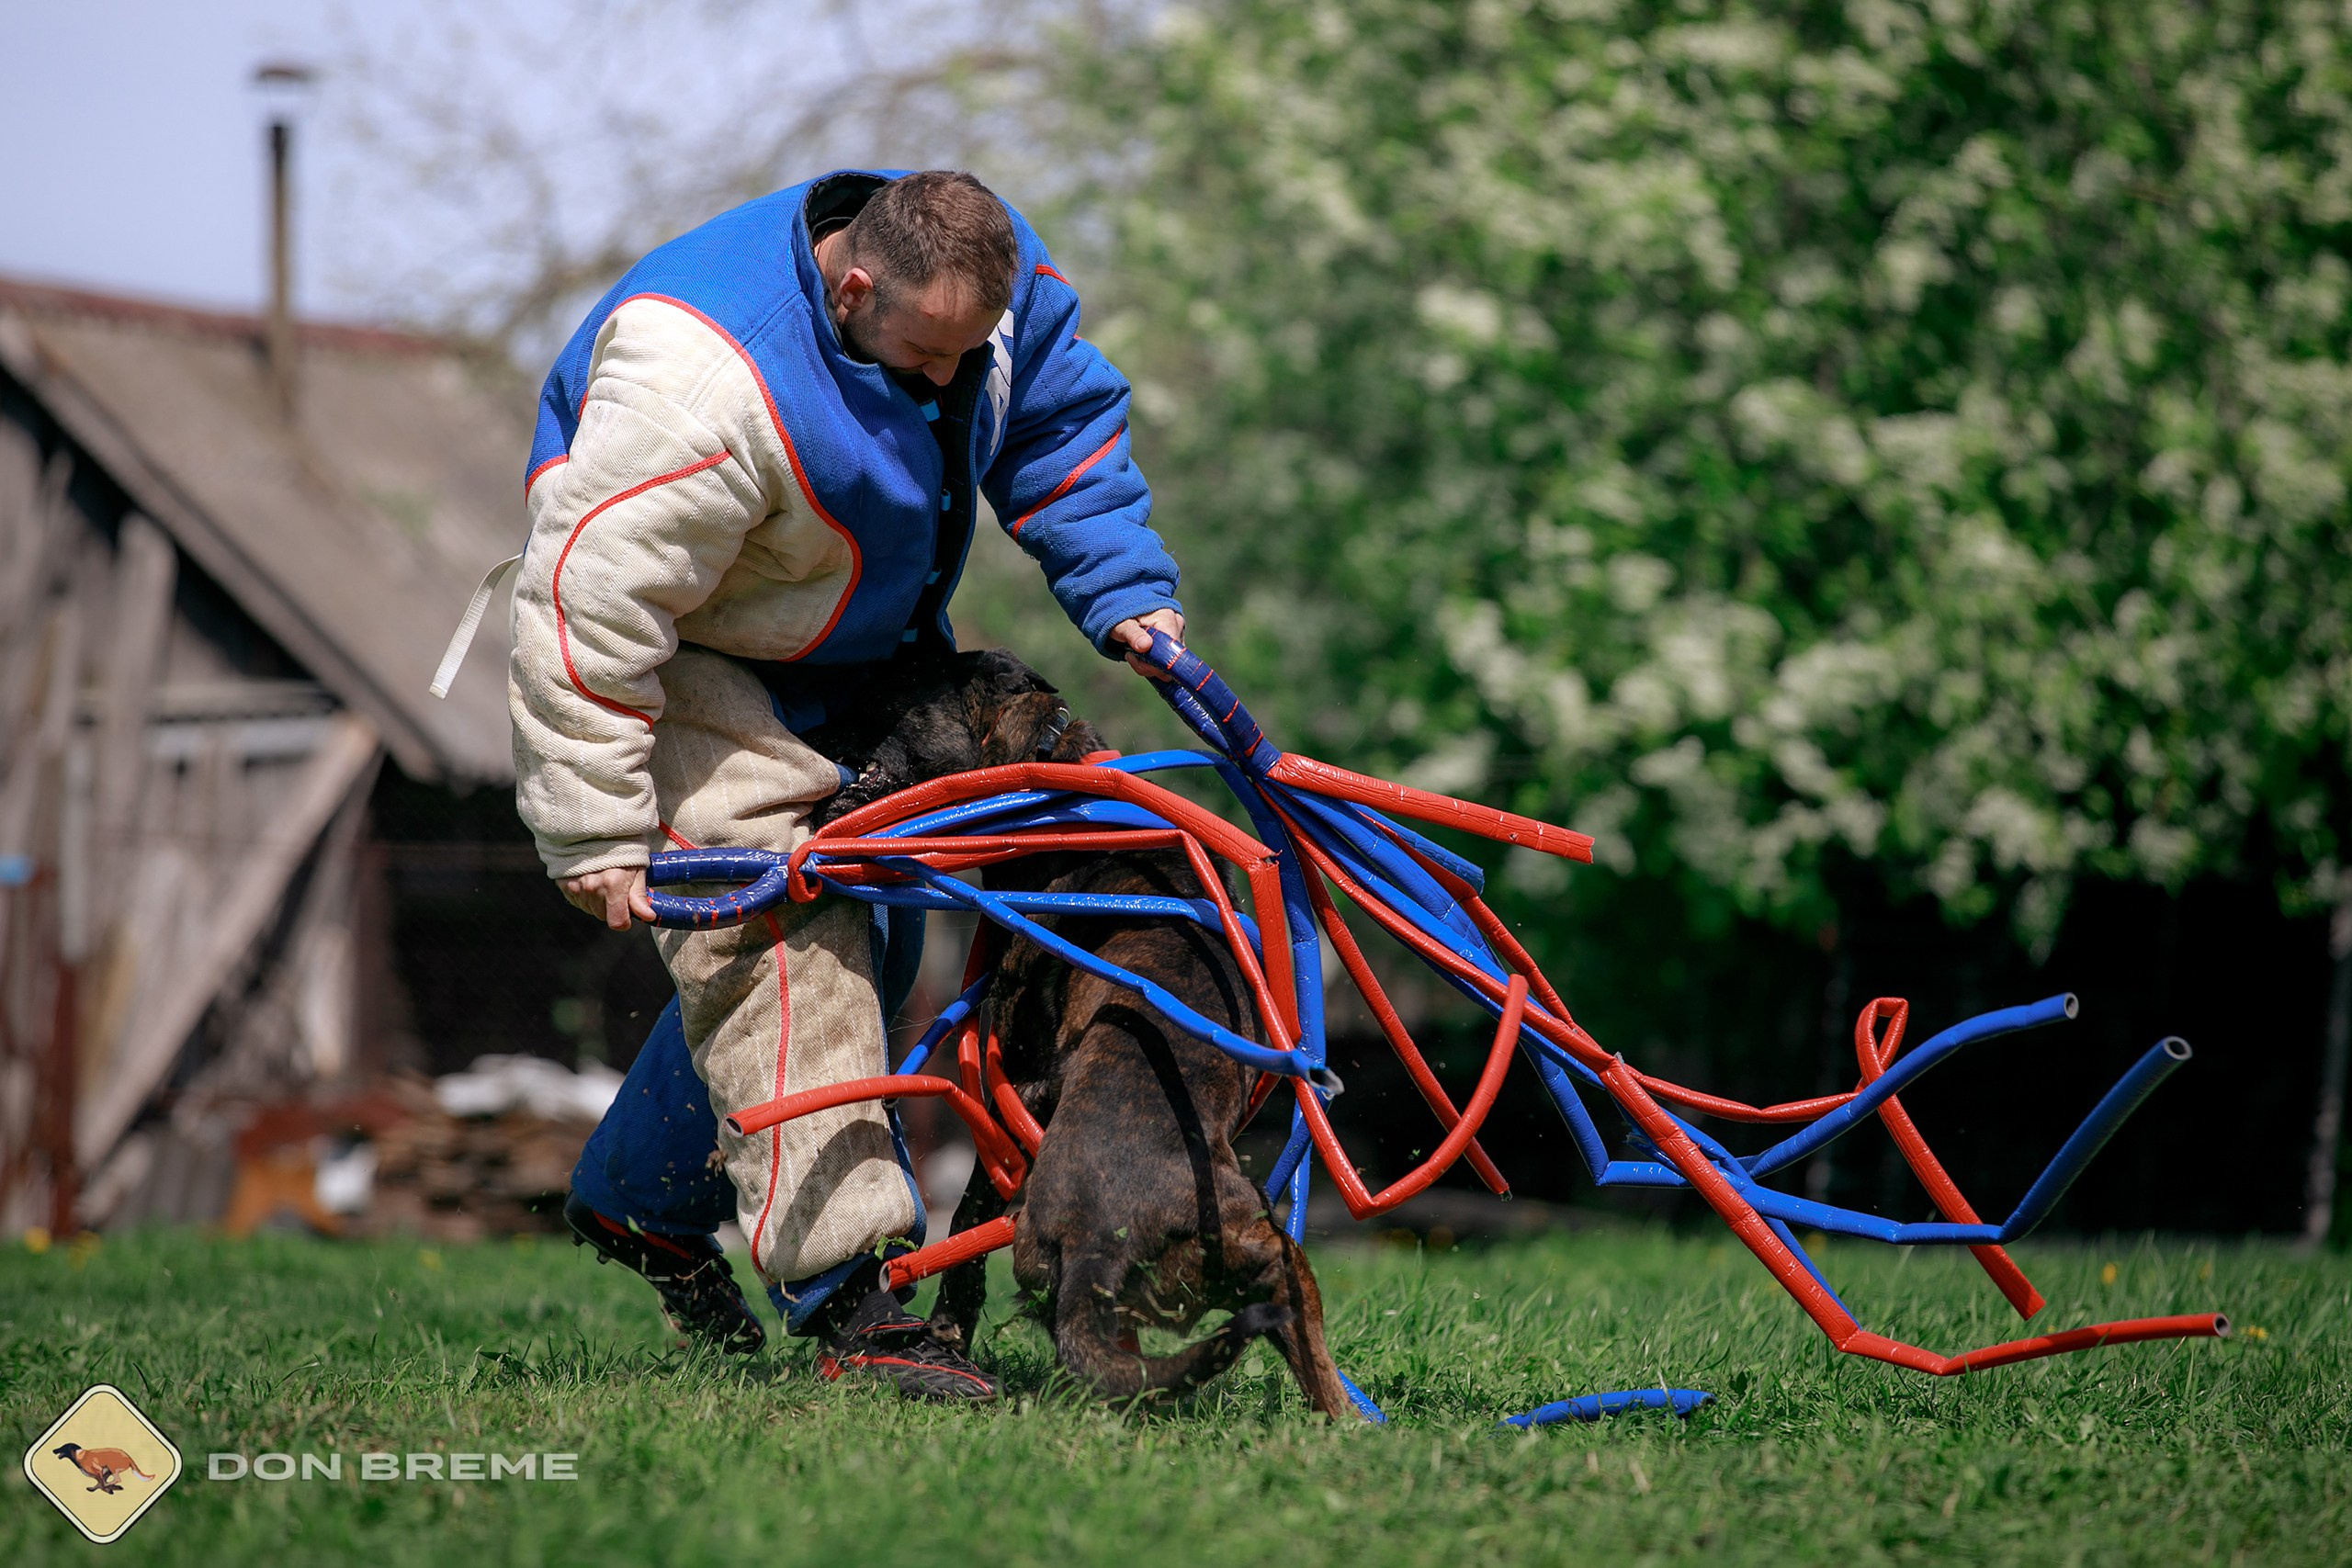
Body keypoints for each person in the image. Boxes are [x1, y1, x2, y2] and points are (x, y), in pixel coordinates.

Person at [505, 169, 1185, 1401]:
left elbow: (1055, 424)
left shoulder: (986, 289)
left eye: (964, 353)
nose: (944, 380)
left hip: (848, 637)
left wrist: (1122, 585)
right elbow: (585, 601)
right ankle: (857, 1303)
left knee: (882, 924)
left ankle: (640, 1201)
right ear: (851, 281)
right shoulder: (699, 380)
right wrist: (593, 822)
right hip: (689, 652)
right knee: (791, 928)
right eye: (924, 353)